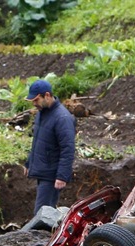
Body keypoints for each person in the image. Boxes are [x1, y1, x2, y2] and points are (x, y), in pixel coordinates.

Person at [24, 79, 76, 215]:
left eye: (36, 100)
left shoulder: (62, 118)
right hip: (43, 170)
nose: (34, 104)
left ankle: (44, 236)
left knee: (42, 215)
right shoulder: (43, 113)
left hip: (51, 176)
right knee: (42, 213)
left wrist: (62, 176)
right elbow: (38, 141)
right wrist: (29, 162)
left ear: (47, 95)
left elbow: (68, 148)